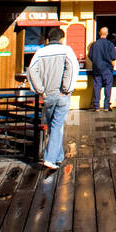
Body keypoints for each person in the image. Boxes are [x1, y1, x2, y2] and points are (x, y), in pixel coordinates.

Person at [25, 28, 79, 171]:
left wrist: (40, 90)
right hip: (62, 95)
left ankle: (58, 156)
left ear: (48, 39)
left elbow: (31, 71)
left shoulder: (40, 53)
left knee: (53, 125)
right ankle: (49, 159)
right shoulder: (67, 51)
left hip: (47, 95)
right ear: (62, 38)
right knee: (56, 126)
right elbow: (72, 69)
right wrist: (66, 89)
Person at [88, 26, 116, 110]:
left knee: (97, 86)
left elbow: (90, 56)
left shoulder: (94, 44)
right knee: (108, 86)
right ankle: (106, 106)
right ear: (107, 34)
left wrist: (96, 62)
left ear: (99, 33)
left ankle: (96, 106)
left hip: (97, 68)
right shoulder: (110, 44)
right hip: (107, 68)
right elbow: (113, 57)